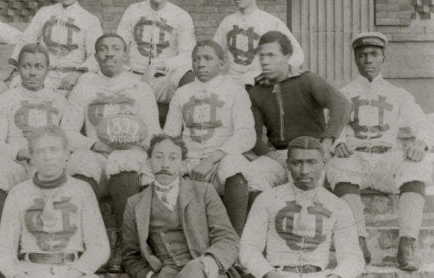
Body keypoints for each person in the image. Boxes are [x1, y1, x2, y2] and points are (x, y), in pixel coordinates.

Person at [326, 32, 433, 271]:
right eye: (362, 55)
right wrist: (338, 140)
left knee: (418, 165)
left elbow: (423, 123)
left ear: (383, 56)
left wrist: (421, 143)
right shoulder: (343, 94)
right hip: (356, 159)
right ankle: (358, 243)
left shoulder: (398, 94)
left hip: (387, 159)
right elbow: (330, 124)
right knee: (337, 166)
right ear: (355, 59)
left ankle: (407, 245)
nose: (368, 60)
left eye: (374, 54)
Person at [61, 33, 160, 272]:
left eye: (116, 48)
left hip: (130, 150)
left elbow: (152, 131)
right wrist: (94, 145)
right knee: (82, 164)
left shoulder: (140, 87)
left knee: (123, 161)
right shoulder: (85, 87)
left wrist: (136, 144)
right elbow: (67, 131)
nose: (109, 53)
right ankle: (85, 242)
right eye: (103, 49)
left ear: (125, 55)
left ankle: (123, 245)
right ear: (96, 56)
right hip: (97, 149)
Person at [162, 40, 255, 236]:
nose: (200, 64)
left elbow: (246, 134)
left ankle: (235, 239)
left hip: (220, 161)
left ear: (221, 64)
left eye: (207, 58)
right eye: (196, 59)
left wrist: (212, 159)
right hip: (190, 162)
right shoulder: (182, 93)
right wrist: (183, 162)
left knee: (234, 165)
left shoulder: (235, 91)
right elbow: (170, 135)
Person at [240, 136, 364, 278]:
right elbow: (248, 248)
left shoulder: (338, 206)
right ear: (288, 164)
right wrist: (269, 273)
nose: (304, 170)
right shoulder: (267, 200)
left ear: (323, 163)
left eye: (311, 163)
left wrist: (335, 276)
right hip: (277, 274)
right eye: (297, 163)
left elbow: (353, 256)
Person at [0, 125, 110, 278]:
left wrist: (76, 272)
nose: (48, 157)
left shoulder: (82, 190)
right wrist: (18, 274)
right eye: (40, 151)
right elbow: (4, 248)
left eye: (54, 150)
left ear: (66, 154)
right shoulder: (18, 193)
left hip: (72, 270)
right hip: (30, 270)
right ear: (32, 157)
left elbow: (99, 246)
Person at [246, 31, 350, 196]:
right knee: (253, 175)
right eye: (262, 56)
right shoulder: (257, 92)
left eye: (272, 56)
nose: (265, 62)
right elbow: (253, 135)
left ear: (287, 56)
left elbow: (341, 104)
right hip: (280, 155)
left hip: (312, 151)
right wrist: (273, 156)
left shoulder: (307, 81)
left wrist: (326, 144)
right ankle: (268, 220)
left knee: (306, 187)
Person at [122, 134, 240, 278]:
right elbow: (130, 256)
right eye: (159, 157)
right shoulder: (135, 203)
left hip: (206, 269)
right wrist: (151, 276)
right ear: (148, 163)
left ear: (183, 164)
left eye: (173, 158)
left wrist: (210, 260)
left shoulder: (204, 192)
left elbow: (227, 238)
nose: (165, 164)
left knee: (195, 268)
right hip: (165, 273)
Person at [0, 43, 67, 236]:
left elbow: (68, 140)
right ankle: (1, 240)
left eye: (38, 67)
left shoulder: (59, 101)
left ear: (47, 70)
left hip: (51, 164)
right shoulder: (4, 100)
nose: (32, 72)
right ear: (18, 69)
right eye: (27, 66)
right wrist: (20, 153)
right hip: (16, 163)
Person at [117, 0, 196, 124]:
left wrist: (161, 64)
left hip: (164, 79)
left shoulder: (181, 15)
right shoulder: (133, 10)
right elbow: (119, 42)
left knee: (189, 75)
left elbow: (188, 55)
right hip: (135, 75)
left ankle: (182, 131)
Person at [9, 0, 103, 97]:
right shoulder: (44, 13)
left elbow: (96, 55)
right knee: (15, 84)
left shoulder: (90, 20)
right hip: (44, 74)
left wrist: (77, 74)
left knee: (87, 90)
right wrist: (13, 69)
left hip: (74, 75)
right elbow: (26, 41)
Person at [213, 0, 304, 87]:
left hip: (261, 86)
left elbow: (297, 53)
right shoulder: (227, 22)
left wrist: (276, 75)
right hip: (232, 86)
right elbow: (213, 53)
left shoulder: (271, 22)